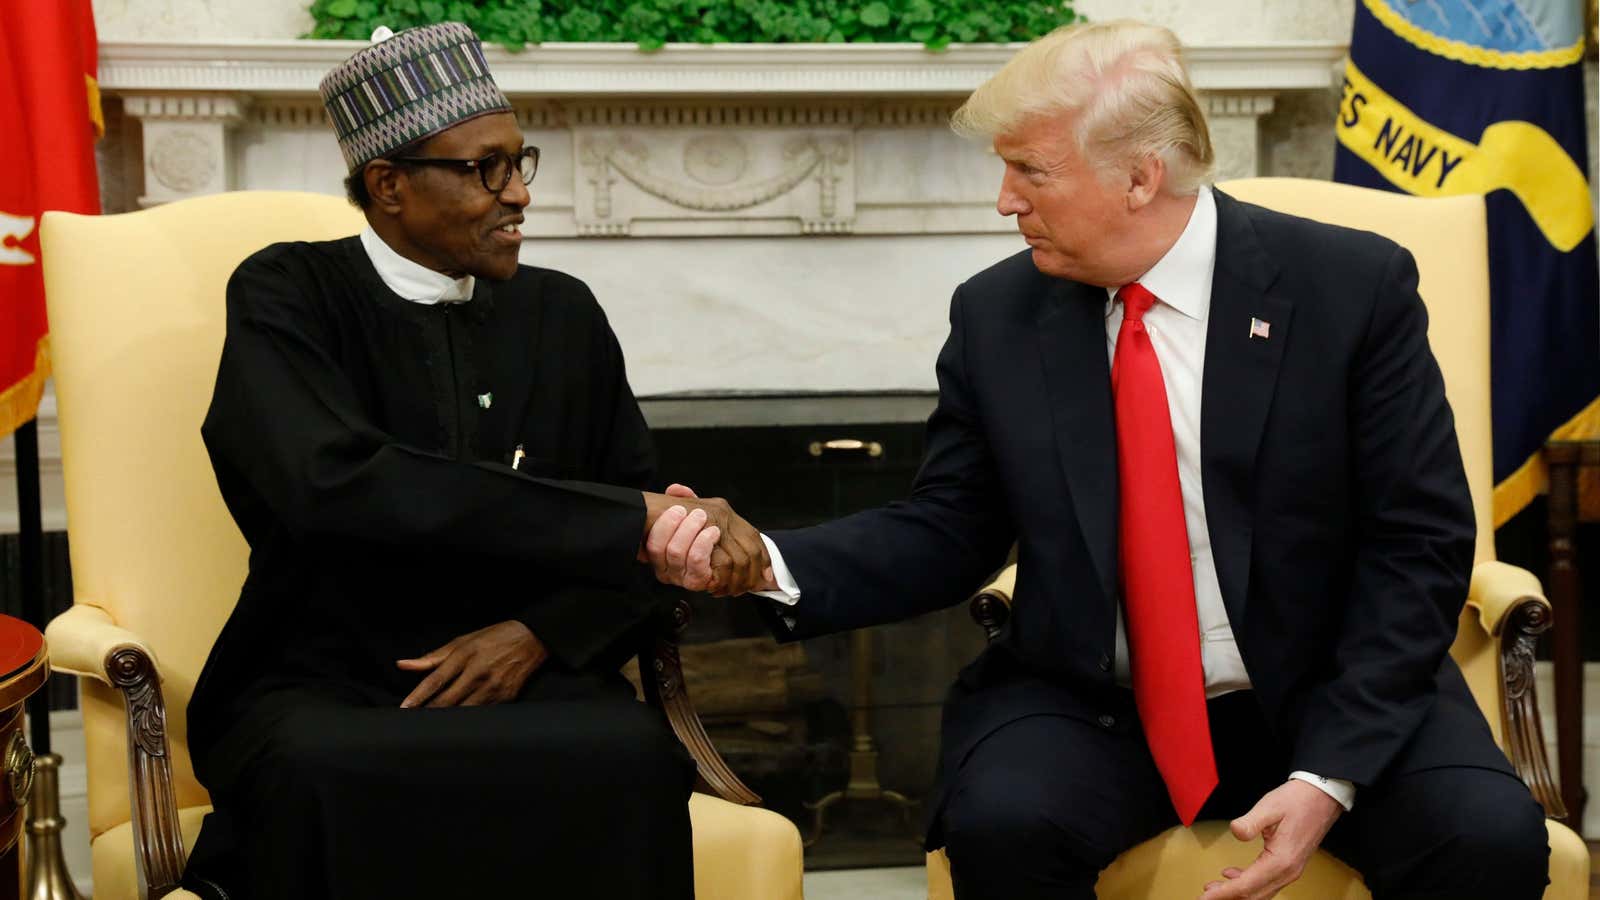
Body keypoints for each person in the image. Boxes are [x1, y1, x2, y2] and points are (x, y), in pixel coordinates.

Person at [646, 19, 1549, 900]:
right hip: (1095, 697)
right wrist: (768, 560)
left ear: (1139, 176)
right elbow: (948, 528)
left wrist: (1329, 776)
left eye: (1030, 170)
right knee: (1004, 824)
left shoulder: (1350, 289)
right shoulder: (998, 316)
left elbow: (1417, 543)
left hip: (1332, 684)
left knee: (1485, 840)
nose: (1004, 199)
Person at [182, 22, 767, 899]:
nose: (518, 194)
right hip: (328, 676)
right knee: (318, 768)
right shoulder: (287, 294)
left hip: (534, 672)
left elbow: (635, 528)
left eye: (519, 161)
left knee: (628, 750)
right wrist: (628, 520)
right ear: (389, 186)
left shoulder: (561, 314)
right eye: (483, 169)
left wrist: (542, 634)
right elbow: (334, 485)